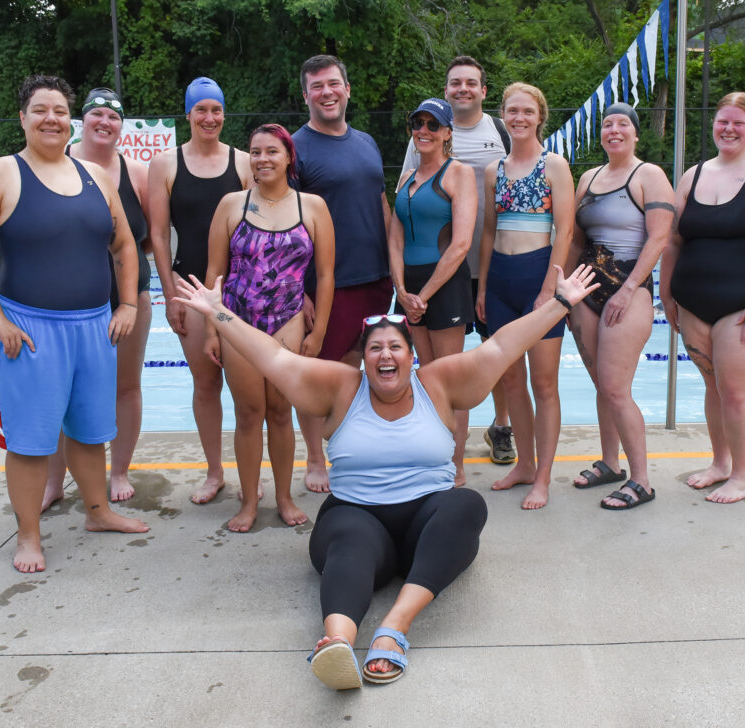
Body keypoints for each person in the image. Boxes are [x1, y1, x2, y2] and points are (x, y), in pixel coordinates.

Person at [173, 263, 598, 690]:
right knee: (345, 536)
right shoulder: (340, 386)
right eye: (374, 348)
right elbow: (273, 356)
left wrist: (559, 303)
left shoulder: (438, 383)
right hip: (358, 516)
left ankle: (395, 626)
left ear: (411, 357)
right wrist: (217, 313)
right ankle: (336, 643)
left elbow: (502, 346)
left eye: (395, 346)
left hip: (426, 524)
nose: (385, 355)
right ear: (364, 359)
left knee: (467, 505)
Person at [0, 75, 149, 573]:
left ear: (71, 121)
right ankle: (29, 536)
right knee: (31, 438)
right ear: (23, 117)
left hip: (93, 326)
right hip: (30, 329)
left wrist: (127, 305)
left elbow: (125, 245)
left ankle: (98, 511)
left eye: (60, 111)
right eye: (40, 110)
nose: (51, 119)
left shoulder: (97, 178)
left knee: (88, 431)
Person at [659, 91, 745, 504]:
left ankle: (741, 474)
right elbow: (673, 240)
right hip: (693, 298)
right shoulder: (695, 175)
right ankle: (719, 462)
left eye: (739, 122)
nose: (729, 128)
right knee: (713, 385)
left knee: (735, 388)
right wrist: (667, 293)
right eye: (722, 121)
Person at [205, 123, 335, 532]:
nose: (262, 159)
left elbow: (326, 276)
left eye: (271, 152)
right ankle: (248, 502)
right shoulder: (232, 204)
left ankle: (282, 497)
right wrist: (213, 329)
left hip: (288, 322)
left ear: (288, 157)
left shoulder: (311, 206)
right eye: (255, 152)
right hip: (238, 321)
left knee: (280, 413)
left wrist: (319, 332)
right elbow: (215, 272)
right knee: (248, 414)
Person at [399, 56, 516, 466]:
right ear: (447, 89)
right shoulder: (419, 145)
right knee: (435, 370)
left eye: (471, 83)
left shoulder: (501, 131)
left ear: (483, 91)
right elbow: (402, 204)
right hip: (436, 268)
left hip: (490, 260)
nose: (463, 88)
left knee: (493, 352)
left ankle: (501, 427)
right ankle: (438, 448)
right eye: (455, 83)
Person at [42, 87, 152, 508]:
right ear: (81, 121)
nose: (105, 122)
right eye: (97, 114)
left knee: (126, 387)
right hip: (67, 301)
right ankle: (55, 481)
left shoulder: (137, 173)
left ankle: (119, 470)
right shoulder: (52, 163)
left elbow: (143, 239)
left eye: (114, 116)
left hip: (129, 297)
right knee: (61, 392)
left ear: (121, 126)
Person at [292, 54, 392, 495]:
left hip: (376, 280)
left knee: (357, 370)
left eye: (334, 83)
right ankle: (315, 458)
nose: (327, 92)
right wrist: (300, 291)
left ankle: (351, 448)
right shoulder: (296, 148)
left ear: (348, 89)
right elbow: (286, 223)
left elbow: (381, 205)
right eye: (317, 86)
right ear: (306, 95)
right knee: (318, 374)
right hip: (328, 284)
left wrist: (396, 271)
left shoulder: (367, 142)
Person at [566, 103, 675, 510]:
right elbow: (577, 239)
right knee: (602, 385)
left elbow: (659, 239)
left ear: (635, 133)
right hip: (587, 288)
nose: (614, 129)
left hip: (628, 288)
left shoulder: (648, 175)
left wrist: (629, 289)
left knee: (616, 388)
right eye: (607, 124)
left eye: (622, 124)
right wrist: (566, 288)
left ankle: (641, 480)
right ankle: (610, 463)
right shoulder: (589, 177)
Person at [148, 77, 251, 506]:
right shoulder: (165, 165)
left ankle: (249, 472)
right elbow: (157, 233)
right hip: (190, 288)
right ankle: (214, 472)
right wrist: (169, 290)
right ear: (188, 114)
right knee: (205, 385)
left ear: (224, 114)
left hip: (240, 292)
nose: (210, 118)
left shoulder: (244, 162)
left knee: (247, 389)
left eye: (217, 110)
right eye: (201, 110)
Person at [476, 82, 575, 510]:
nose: (519, 118)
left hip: (539, 276)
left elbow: (565, 230)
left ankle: (544, 478)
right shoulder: (492, 170)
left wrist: (549, 291)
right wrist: (482, 286)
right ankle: (524, 465)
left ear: (540, 116)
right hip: (499, 279)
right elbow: (489, 231)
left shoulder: (554, 165)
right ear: (503, 115)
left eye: (527, 112)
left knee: (544, 383)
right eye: (512, 111)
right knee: (510, 379)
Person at [388, 98, 477, 484]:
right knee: (422, 378)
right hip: (410, 288)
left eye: (432, 125)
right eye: (417, 123)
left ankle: (454, 464)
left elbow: (460, 244)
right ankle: (432, 455)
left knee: (448, 379)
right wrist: (402, 290)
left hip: (444, 284)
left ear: (446, 133)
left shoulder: (458, 174)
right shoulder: (407, 177)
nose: (423, 131)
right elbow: (393, 239)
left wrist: (423, 294)